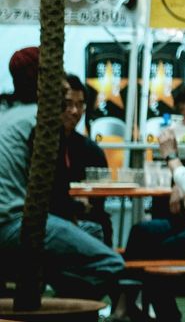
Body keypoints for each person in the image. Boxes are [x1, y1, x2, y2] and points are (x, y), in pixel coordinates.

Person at [0, 47, 124, 300]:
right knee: (111, 263)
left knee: (94, 232)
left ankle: (51, 283)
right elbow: (50, 191)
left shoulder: (7, 113)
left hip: (16, 220)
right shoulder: (41, 121)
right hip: (15, 224)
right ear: (44, 77)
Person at [123, 80, 185, 320]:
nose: (183, 121)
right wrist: (184, 187)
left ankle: (167, 315)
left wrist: (171, 155)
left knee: (158, 251)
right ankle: (127, 304)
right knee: (141, 232)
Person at [53, 74, 112, 245]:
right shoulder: (43, 146)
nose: (74, 111)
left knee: (101, 225)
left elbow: (101, 193)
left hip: (87, 216)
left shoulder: (91, 150)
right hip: (55, 216)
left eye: (80, 105)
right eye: (69, 104)